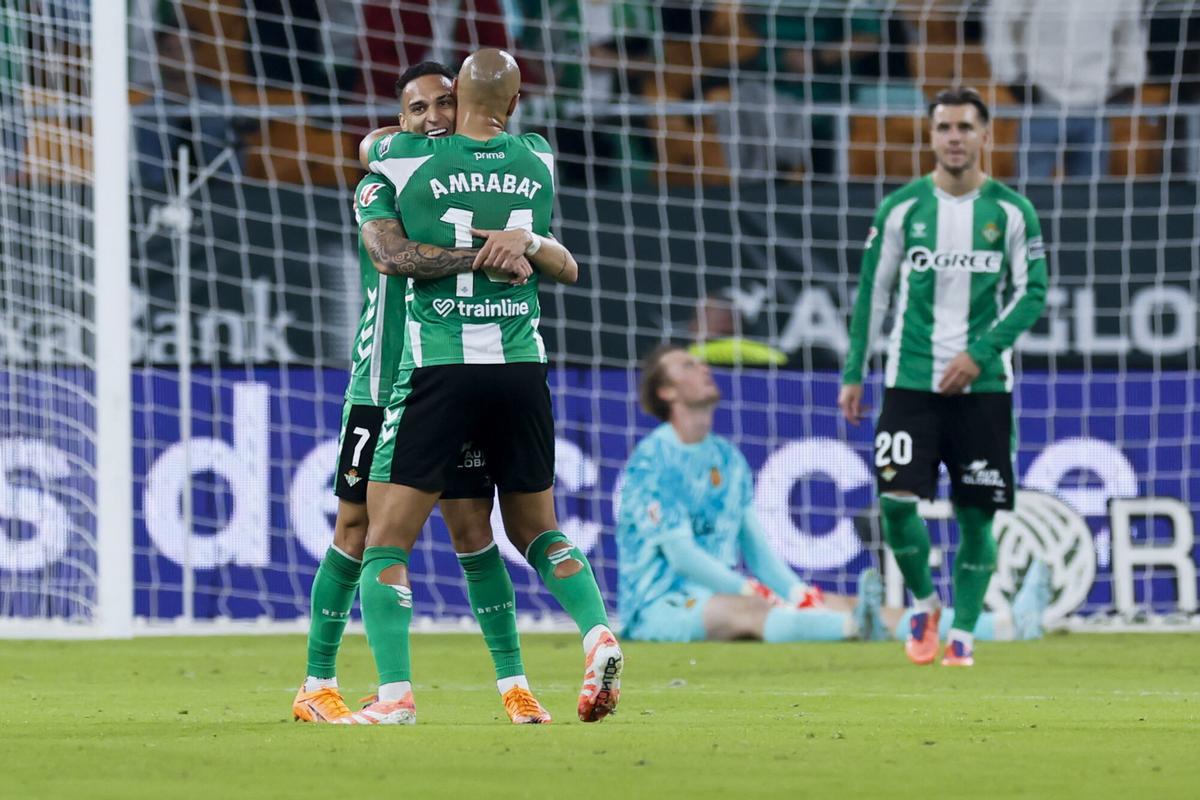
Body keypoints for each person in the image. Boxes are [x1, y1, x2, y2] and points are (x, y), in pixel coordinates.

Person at [341, 49, 620, 726]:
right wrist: (517, 243)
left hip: (442, 370)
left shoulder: (408, 158)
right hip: (523, 370)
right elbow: (562, 261)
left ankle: (396, 697)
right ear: (517, 104)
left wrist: (394, 138)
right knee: (537, 531)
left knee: (385, 540)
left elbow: (372, 154)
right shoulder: (537, 160)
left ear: (455, 102)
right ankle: (598, 633)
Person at [293, 61, 564, 726]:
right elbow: (389, 251)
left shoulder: (484, 176)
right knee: (356, 530)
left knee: (474, 530)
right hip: (382, 382)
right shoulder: (387, 179)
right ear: (402, 119)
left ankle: (515, 685)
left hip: (448, 376)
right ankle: (318, 682)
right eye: (417, 109)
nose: (434, 117)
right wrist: (484, 253)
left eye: (446, 102)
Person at [617, 345, 1052, 646]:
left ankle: (1006, 625)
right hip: (659, 604)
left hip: (725, 591)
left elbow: (756, 546)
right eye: (687, 367)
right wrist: (752, 588)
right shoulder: (652, 460)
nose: (703, 369)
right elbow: (680, 555)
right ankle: (847, 627)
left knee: (830, 600)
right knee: (748, 611)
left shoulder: (727, 459)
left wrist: (793, 590)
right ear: (666, 392)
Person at [838, 87, 1049, 667]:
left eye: (964, 126)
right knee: (896, 503)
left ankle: (964, 633)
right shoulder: (901, 209)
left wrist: (980, 353)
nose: (954, 137)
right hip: (909, 382)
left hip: (983, 387)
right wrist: (854, 373)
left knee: (976, 516)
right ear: (931, 137)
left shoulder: (1011, 211)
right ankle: (926, 605)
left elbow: (1035, 293)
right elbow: (872, 296)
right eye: (944, 127)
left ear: (986, 135)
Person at [986, 0, 1147, 180]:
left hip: (1095, 106)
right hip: (1041, 103)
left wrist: (1128, 80)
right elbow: (999, 19)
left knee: (1090, 195)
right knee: (1032, 191)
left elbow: (1130, 31)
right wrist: (1012, 77)